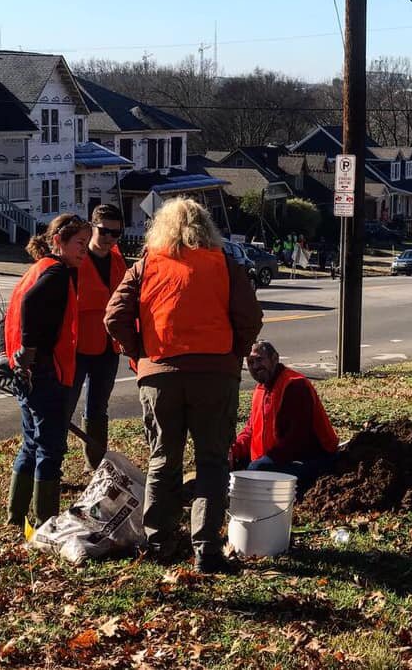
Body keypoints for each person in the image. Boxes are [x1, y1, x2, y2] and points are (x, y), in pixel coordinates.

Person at [104, 198, 262, 574]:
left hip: (160, 374)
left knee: (163, 459)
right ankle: (206, 549)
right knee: (211, 463)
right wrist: (232, 354)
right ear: (206, 228)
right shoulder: (224, 264)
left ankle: (159, 542)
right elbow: (250, 317)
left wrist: (141, 351)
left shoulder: (146, 265)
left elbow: (114, 316)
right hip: (215, 374)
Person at [0, 214, 92, 527]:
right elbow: (31, 306)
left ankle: (15, 516)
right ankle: (45, 520)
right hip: (47, 371)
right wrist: (30, 348)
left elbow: (7, 316)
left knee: (31, 443)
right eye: (80, 243)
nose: (84, 250)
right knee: (50, 448)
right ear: (58, 242)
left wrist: (8, 355)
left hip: (26, 372)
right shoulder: (57, 274)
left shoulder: (35, 271)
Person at [64, 204, 127, 471]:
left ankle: (96, 465)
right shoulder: (76, 260)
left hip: (108, 348)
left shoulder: (117, 261)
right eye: (104, 232)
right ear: (92, 229)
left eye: (116, 234)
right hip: (77, 349)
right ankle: (51, 464)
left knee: (98, 409)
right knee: (64, 408)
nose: (110, 239)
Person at [230, 341, 339, 488]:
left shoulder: (294, 385)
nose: (255, 366)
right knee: (229, 465)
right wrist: (233, 451)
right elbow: (251, 430)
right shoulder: (260, 389)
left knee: (256, 471)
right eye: (250, 362)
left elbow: (298, 439)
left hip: (310, 460)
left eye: (259, 359)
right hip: (276, 458)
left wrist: (263, 461)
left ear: (275, 358)